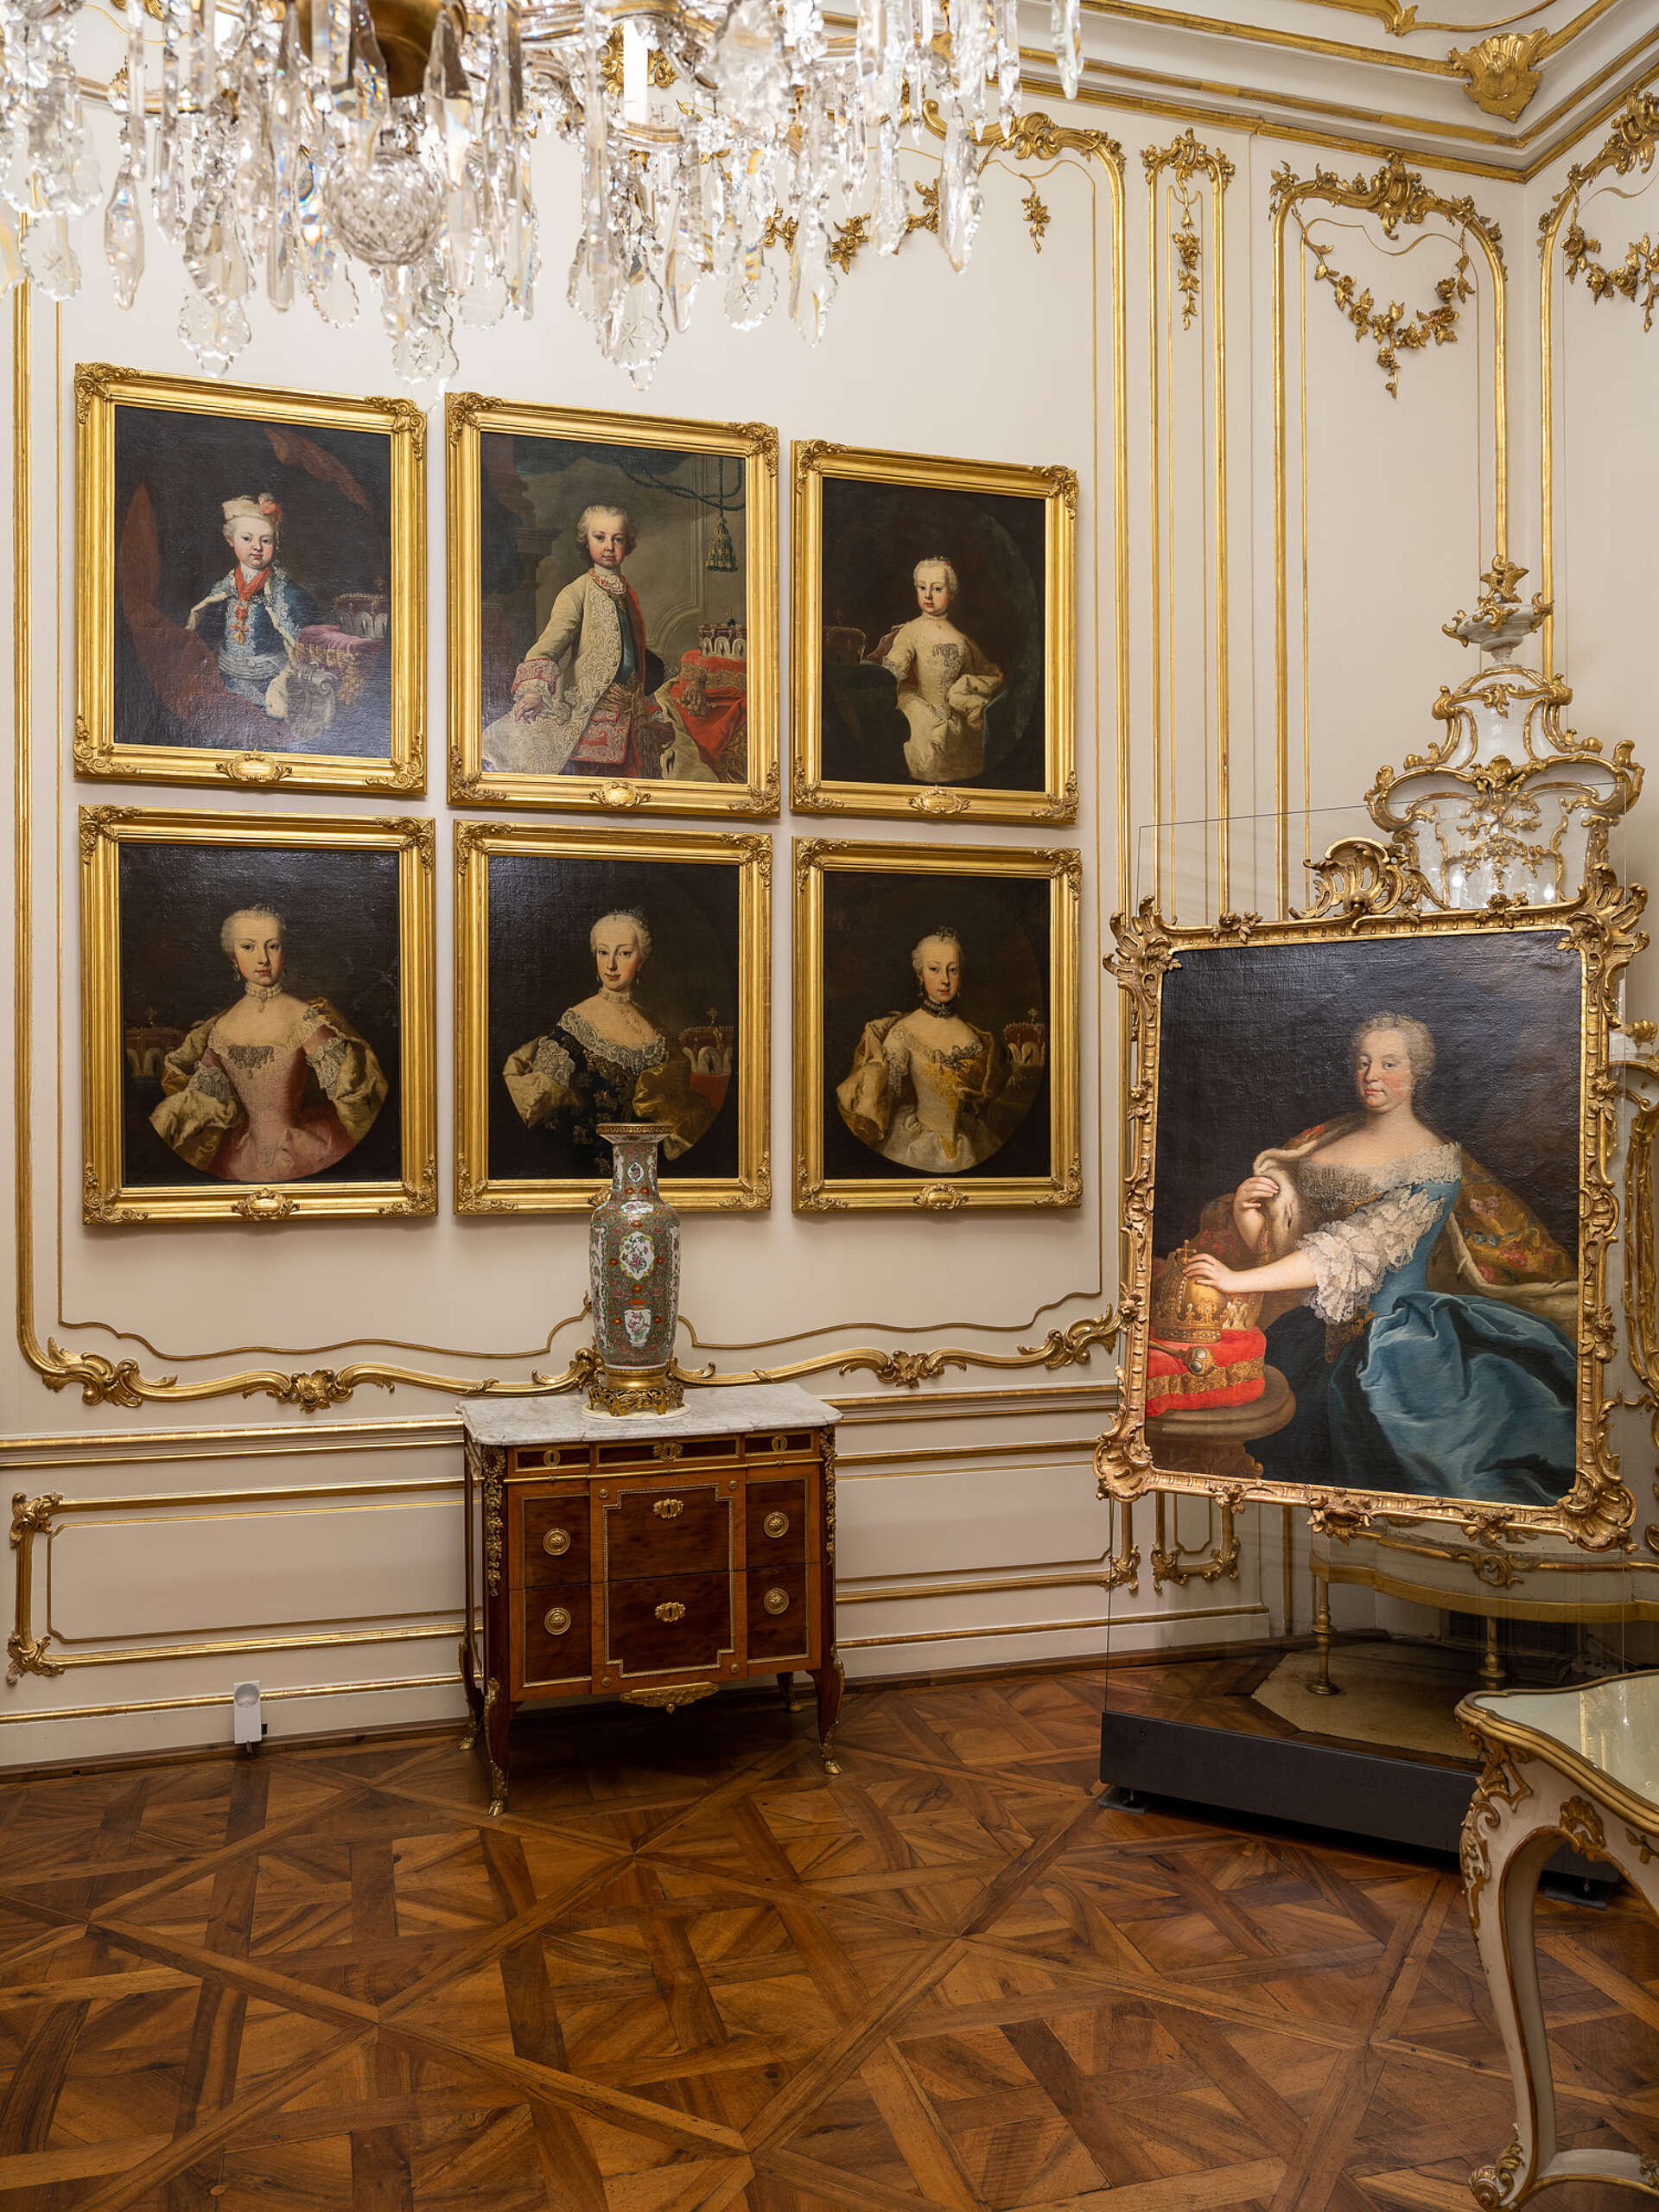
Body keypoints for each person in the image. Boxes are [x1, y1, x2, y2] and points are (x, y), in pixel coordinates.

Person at [1181, 1013, 1578, 1508]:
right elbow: (1295, 1252)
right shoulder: (1328, 1141)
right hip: (1311, 1330)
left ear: (1417, 1074)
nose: (1372, 1076)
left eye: (1389, 1064)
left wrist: (1236, 1280)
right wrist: (1249, 1216)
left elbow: (1345, 1253)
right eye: (1364, 1063)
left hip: (1395, 1345)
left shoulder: (1432, 1162)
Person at [149, 906, 386, 1183]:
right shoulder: (221, 1027)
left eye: (272, 946)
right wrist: (166, 1117)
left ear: (284, 953)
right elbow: (205, 1101)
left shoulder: (303, 1018)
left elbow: (352, 1092)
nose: (262, 958)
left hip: (306, 1153)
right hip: (241, 1159)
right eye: (248, 947)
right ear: (233, 957)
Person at [503, 909, 715, 1173]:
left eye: (624, 953)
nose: (611, 965)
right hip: (589, 1166)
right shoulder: (574, 1023)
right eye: (603, 952)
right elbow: (543, 1108)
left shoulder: (654, 1026)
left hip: (650, 1166)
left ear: (640, 960)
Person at [836, 928, 1045, 1174]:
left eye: (952, 970)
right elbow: (887, 1093)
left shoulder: (975, 1037)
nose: (945, 979)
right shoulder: (903, 1032)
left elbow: (986, 1095)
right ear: (920, 975)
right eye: (934, 969)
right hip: (920, 1147)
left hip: (968, 1141)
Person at [484, 505, 669, 779]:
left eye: (617, 539)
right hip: (588, 713)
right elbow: (547, 648)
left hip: (629, 716)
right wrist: (533, 692)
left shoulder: (628, 595)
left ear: (627, 544)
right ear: (586, 541)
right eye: (600, 537)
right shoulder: (576, 592)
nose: (609, 547)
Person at [186, 494, 323, 723]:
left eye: (266, 541)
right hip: (224, 684)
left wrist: (283, 682)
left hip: (271, 690)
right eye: (247, 538)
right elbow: (205, 639)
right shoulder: (221, 591)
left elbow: (307, 650)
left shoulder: (292, 595)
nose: (257, 547)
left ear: (275, 542)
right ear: (230, 540)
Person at [880, 557, 1005, 785]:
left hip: (957, 718)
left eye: (937, 589)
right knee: (927, 760)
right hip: (921, 714)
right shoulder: (911, 631)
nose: (928, 595)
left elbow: (974, 675)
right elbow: (894, 668)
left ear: (952, 594)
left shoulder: (961, 637)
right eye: (922, 587)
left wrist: (963, 692)